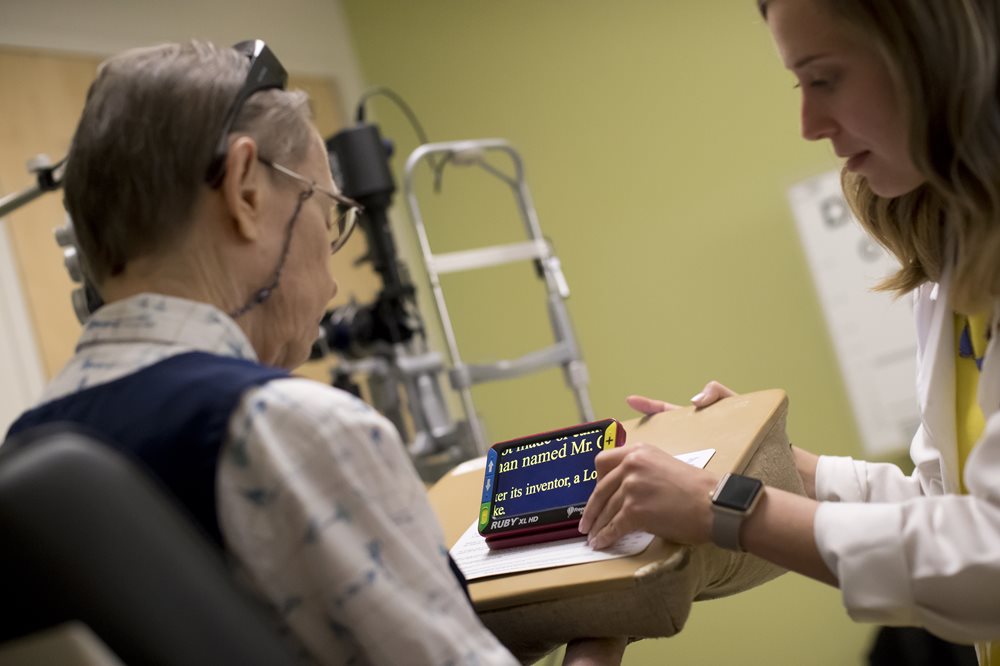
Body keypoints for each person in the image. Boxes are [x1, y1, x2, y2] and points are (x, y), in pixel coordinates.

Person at [4, 39, 527, 666]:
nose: (334, 282)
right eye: (327, 212)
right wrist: (602, 637)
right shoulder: (292, 429)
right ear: (246, 192)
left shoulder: (26, 451)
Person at [580, 0, 1000, 664]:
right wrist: (769, 458)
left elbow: (988, 559)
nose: (808, 124)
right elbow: (941, 506)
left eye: (825, 78)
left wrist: (728, 506)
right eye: (798, 84)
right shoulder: (957, 263)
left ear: (935, 59)